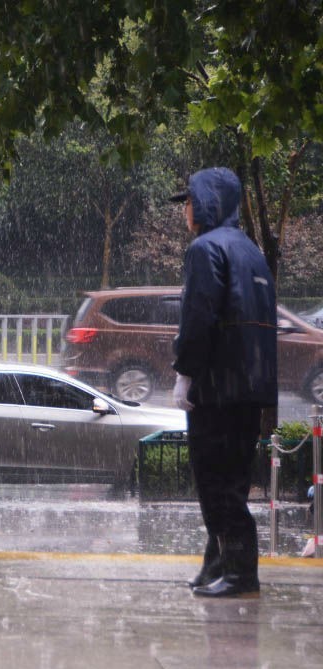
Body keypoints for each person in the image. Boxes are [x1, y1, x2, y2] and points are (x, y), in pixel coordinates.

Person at [169, 167, 277, 599]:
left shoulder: (204, 249)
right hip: (249, 390)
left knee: (215, 484)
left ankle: (239, 573)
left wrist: (185, 373)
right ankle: (216, 564)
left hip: (216, 389)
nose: (186, 211)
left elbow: (198, 318)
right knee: (231, 481)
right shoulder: (251, 251)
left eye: (190, 201)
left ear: (208, 202)